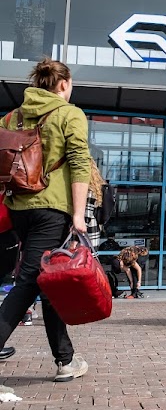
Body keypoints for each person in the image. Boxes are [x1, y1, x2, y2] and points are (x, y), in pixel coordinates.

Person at [0, 57, 92, 380]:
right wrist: (79, 216)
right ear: (63, 84)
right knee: (28, 282)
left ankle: (65, 360)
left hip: (18, 208)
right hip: (51, 210)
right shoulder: (70, 114)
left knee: (50, 278)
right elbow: (80, 164)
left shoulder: (13, 116)